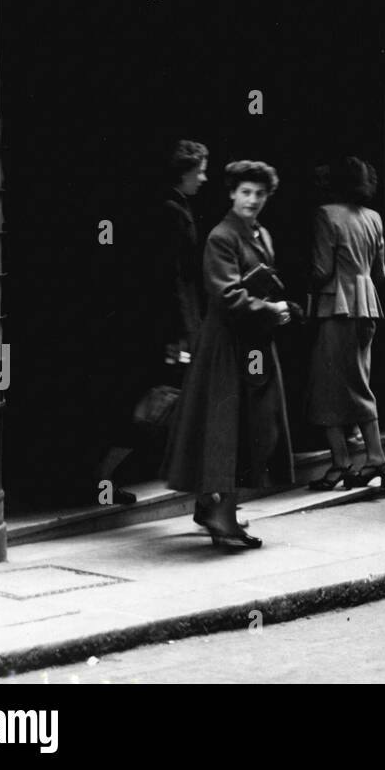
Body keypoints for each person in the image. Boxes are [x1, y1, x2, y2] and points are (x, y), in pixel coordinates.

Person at [164, 160, 296, 549]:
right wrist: (270, 309)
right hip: (227, 348)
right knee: (229, 430)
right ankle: (222, 517)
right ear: (232, 194)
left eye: (259, 193)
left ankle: (213, 508)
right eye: (245, 192)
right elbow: (226, 295)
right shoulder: (222, 236)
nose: (252, 200)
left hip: (251, 344)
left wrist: (277, 304)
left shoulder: (260, 234)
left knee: (248, 428)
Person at [95, 139, 208, 506]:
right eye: (200, 171)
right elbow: (173, 277)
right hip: (172, 329)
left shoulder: (175, 207)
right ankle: (105, 479)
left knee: (156, 403)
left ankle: (106, 479)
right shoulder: (172, 212)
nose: (204, 178)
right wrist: (180, 335)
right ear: (185, 172)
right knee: (156, 404)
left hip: (173, 326)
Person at [305, 157, 385, 492]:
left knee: (329, 385)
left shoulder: (326, 215)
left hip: (336, 307)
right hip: (366, 306)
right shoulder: (374, 218)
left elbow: (321, 270)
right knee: (356, 379)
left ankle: (359, 459)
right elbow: (381, 272)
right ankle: (360, 459)